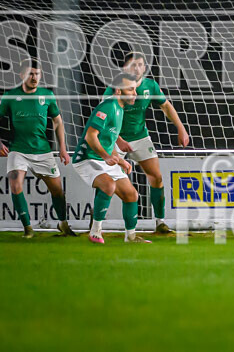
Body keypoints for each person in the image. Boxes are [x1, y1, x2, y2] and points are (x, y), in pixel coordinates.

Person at [103, 51, 189, 233]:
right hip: (115, 139)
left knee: (156, 177)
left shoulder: (150, 85)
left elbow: (166, 105)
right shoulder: (115, 87)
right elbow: (102, 117)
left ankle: (160, 222)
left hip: (140, 137)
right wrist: (118, 140)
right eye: (133, 65)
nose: (137, 68)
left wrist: (181, 129)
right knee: (106, 181)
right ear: (124, 68)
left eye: (140, 64)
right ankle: (96, 225)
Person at [0, 59, 75, 238]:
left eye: (37, 74)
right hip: (18, 149)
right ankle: (28, 228)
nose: (34, 77)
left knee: (57, 190)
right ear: (22, 75)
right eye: (30, 74)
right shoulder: (11, 96)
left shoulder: (47, 95)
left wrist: (63, 148)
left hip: (42, 150)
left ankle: (63, 224)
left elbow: (58, 121)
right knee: (15, 183)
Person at [73, 73, 149, 244]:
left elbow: (110, 140)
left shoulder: (120, 109)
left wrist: (121, 160)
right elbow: (90, 137)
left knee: (131, 195)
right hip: (87, 158)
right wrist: (106, 156)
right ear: (118, 90)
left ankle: (131, 237)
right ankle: (95, 232)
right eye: (130, 89)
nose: (135, 93)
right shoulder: (107, 106)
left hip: (102, 158)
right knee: (108, 185)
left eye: (135, 89)